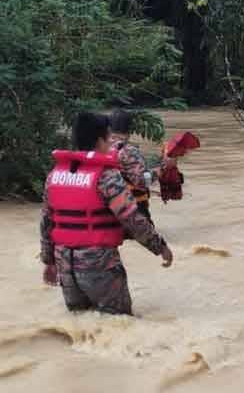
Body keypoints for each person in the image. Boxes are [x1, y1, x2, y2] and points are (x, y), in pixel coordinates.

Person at [40, 112, 173, 315]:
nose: (111, 142)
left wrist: (48, 261)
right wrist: (160, 247)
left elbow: (46, 223)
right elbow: (132, 218)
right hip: (99, 264)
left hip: (65, 265)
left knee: (80, 322)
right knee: (120, 324)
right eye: (108, 137)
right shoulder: (106, 176)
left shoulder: (54, 176)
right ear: (100, 140)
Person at [109, 109, 175, 224]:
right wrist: (165, 166)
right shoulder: (129, 151)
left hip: (109, 210)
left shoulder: (100, 148)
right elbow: (143, 182)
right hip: (133, 211)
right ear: (129, 130)